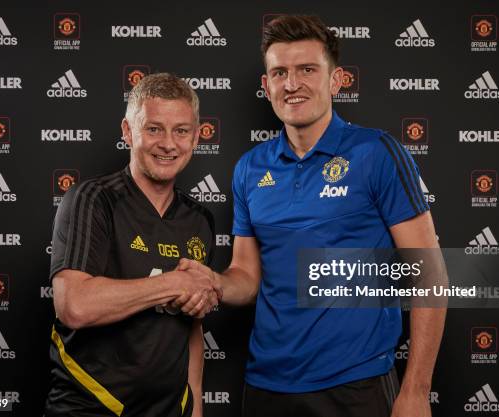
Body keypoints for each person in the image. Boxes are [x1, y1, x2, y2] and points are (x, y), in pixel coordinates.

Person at [176, 15, 446, 417]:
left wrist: (417, 391)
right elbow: (247, 278)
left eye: (307, 70)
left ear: (335, 81)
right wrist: (212, 281)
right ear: (266, 86)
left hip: (357, 384)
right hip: (267, 385)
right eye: (280, 72)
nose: (291, 83)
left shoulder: (378, 154)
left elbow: (431, 274)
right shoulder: (249, 169)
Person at [44, 73, 219, 417]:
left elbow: (193, 325)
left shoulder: (199, 220)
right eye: (153, 129)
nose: (168, 143)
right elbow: (74, 305)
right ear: (128, 131)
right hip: (90, 408)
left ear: (196, 137)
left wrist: (196, 402)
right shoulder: (92, 199)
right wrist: (173, 282)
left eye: (181, 131)